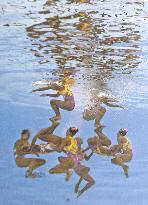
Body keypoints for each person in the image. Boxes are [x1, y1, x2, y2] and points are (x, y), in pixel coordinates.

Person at [49, 127, 95, 198]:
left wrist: (52, 147)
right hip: (75, 163)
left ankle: (78, 186)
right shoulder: (74, 142)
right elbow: (69, 151)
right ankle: (78, 185)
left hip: (74, 162)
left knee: (51, 170)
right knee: (60, 159)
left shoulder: (69, 140)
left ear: (68, 131)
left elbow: (61, 150)